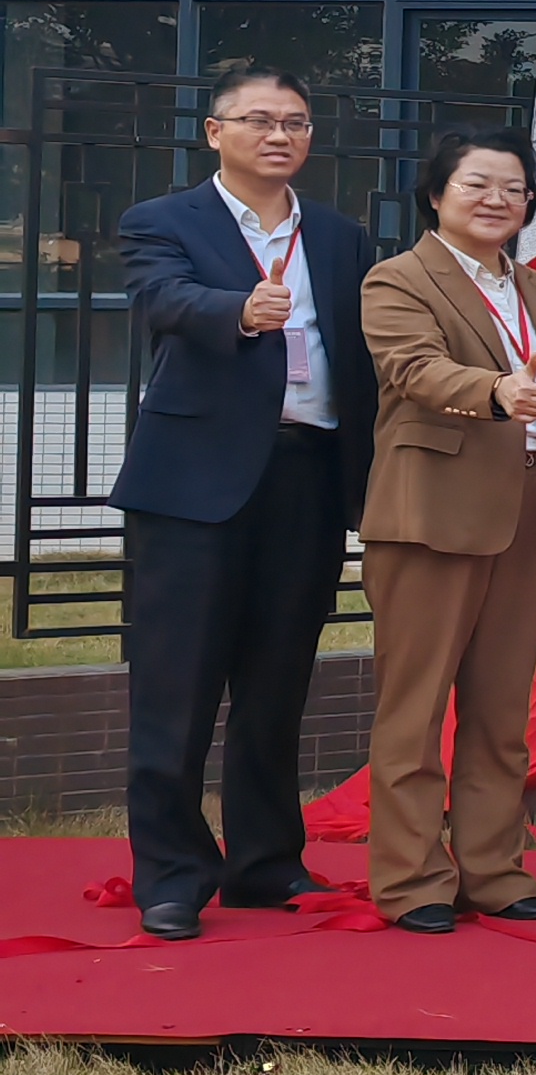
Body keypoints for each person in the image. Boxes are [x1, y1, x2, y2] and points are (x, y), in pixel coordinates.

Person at [109, 62, 376, 941]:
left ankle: (265, 863)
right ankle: (172, 874)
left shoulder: (338, 235)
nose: (279, 134)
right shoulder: (162, 220)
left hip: (308, 476)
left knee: (277, 683)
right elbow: (162, 298)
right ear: (216, 132)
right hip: (195, 484)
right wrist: (239, 309)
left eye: (294, 121)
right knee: (177, 686)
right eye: (259, 119)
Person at [356, 129, 536, 935]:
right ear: (436, 195)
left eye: (513, 187)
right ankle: (412, 880)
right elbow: (413, 369)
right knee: (414, 710)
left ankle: (493, 870)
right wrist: (494, 391)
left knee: (501, 707)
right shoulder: (398, 278)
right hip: (432, 514)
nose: (496, 200)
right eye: (477, 184)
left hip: (527, 508)